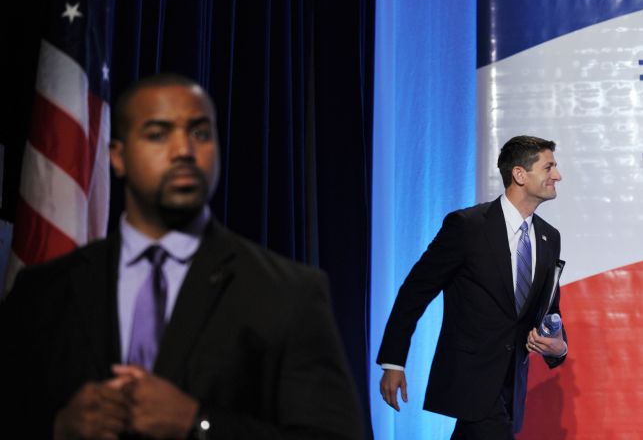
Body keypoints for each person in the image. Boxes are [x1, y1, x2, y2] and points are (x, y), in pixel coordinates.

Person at [0, 73, 363, 440]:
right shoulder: (42, 291)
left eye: (200, 133)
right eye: (158, 134)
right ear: (118, 156)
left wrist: (200, 423)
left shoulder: (289, 293)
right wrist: (58, 429)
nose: (184, 150)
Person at [377, 135, 568, 439]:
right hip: (470, 380)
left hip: (510, 390)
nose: (557, 175)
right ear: (520, 174)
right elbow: (416, 291)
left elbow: (549, 309)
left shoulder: (549, 237)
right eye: (549, 167)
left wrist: (559, 347)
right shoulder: (467, 226)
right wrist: (393, 361)